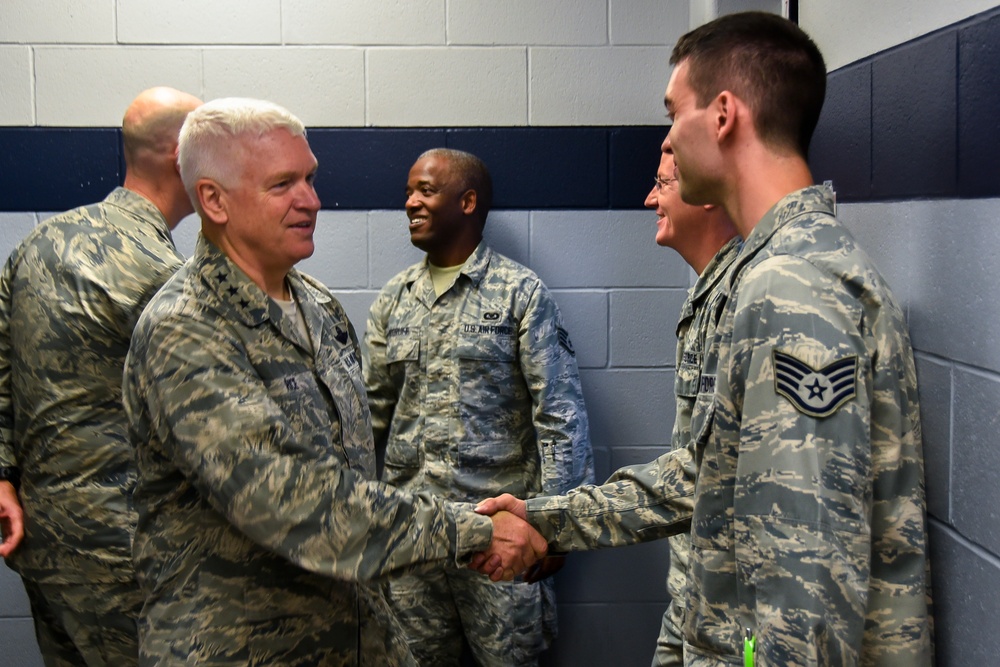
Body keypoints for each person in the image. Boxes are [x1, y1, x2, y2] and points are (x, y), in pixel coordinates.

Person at [474, 11, 933, 665]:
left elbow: (802, 591)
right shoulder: (773, 270)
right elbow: (705, 473)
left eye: (673, 112)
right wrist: (547, 517)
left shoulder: (792, 286)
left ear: (722, 115)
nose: (667, 139)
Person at [122, 98, 548, 667]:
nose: (311, 200)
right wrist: (472, 531)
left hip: (347, 636)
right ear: (213, 200)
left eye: (310, 178)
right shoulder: (186, 328)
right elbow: (293, 502)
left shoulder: (317, 305)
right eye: (282, 185)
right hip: (240, 647)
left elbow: (355, 461)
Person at [363, 148, 594, 666]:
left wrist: (559, 527)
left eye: (425, 190)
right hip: (413, 541)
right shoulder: (394, 300)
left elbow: (560, 416)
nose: (410, 203)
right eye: (407, 192)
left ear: (467, 201)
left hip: (501, 542)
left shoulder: (521, 295)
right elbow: (367, 419)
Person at [0, 86, 202, 667]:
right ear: (179, 157)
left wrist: (4, 477)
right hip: (126, 551)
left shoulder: (35, 246)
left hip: (42, 539)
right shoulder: (165, 276)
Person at [644, 147, 740, 666]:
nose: (649, 198)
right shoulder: (707, 294)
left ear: (704, 194)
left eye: (662, 183)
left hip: (728, 622)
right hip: (690, 595)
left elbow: (702, 479)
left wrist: (546, 523)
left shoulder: (746, 296)